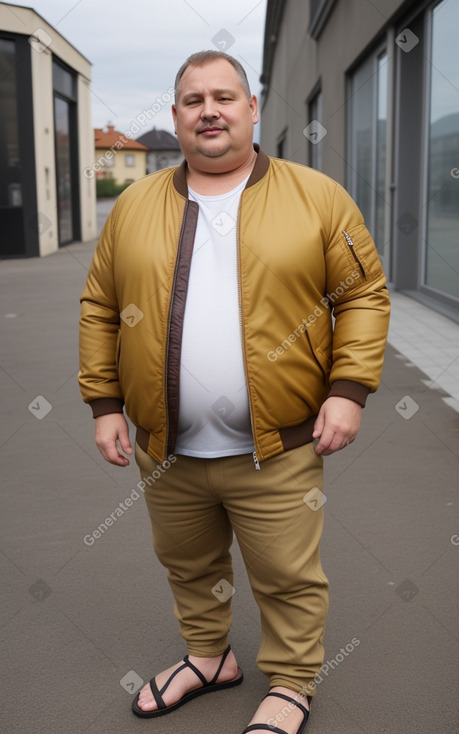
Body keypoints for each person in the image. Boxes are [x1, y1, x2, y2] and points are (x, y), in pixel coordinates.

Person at [78, 50, 390, 734]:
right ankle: (207, 657)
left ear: (251, 109)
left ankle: (292, 680)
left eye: (224, 96)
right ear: (176, 117)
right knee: (186, 563)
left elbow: (363, 293)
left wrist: (348, 388)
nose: (208, 110)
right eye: (193, 100)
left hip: (278, 445)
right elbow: (101, 305)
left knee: (285, 572)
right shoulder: (133, 207)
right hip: (166, 446)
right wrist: (104, 405)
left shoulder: (315, 196)